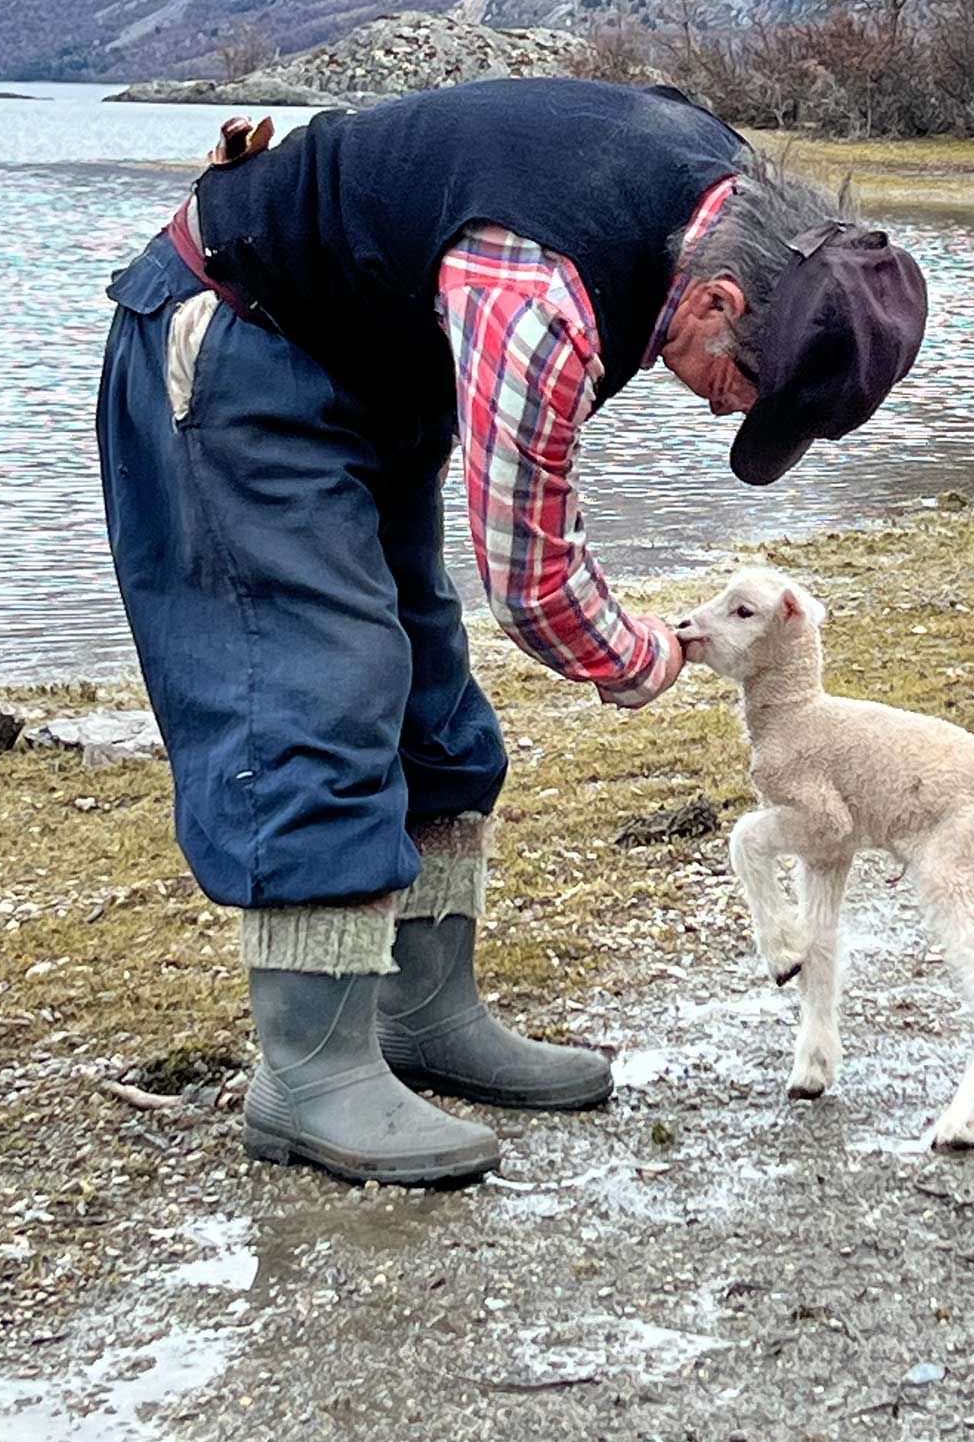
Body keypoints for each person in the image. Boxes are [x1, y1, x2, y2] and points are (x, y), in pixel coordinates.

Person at [96, 76, 927, 1187]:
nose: (728, 411)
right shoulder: (543, 285)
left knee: (431, 697)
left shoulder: (715, 204)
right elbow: (529, 584)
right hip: (236, 343)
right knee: (315, 688)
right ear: (721, 298)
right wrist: (639, 659)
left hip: (363, 364)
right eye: (742, 387)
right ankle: (309, 1071)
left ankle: (424, 1014)